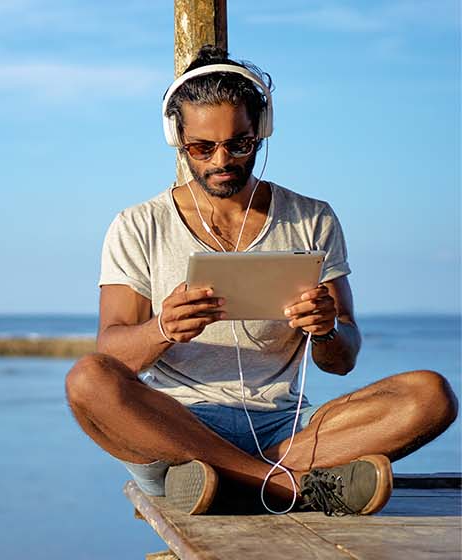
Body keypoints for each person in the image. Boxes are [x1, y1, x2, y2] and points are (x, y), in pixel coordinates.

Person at [64, 45, 458, 516]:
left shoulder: (312, 219)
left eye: (240, 143)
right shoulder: (138, 225)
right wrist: (162, 330)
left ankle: (231, 479)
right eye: (201, 147)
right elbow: (111, 354)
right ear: (177, 137)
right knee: (87, 379)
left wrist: (328, 328)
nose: (221, 160)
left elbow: (343, 359)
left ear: (262, 131)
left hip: (287, 431)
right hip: (177, 427)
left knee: (431, 395)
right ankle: (287, 489)